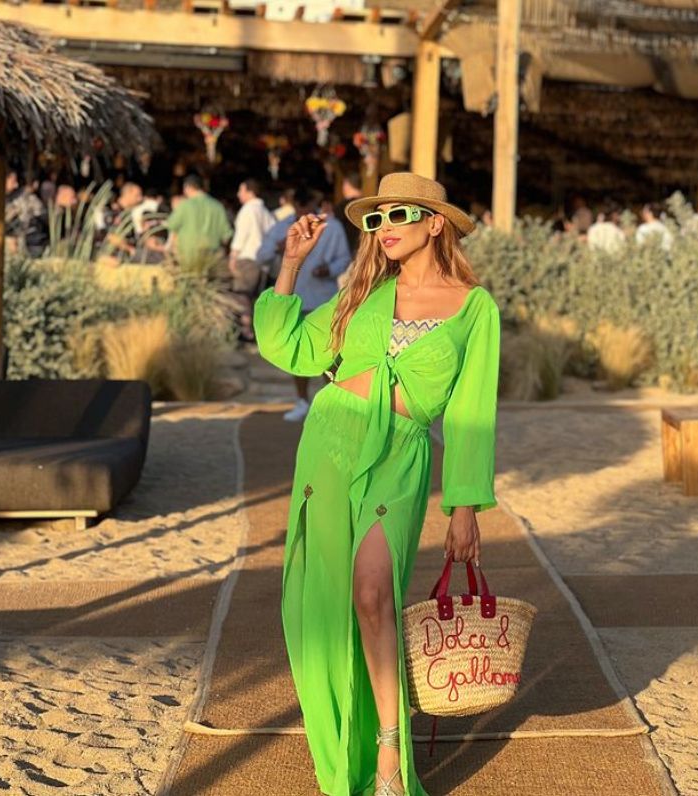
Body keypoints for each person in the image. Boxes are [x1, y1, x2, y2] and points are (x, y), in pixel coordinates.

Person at [253, 172, 500, 796]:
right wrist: (290, 265)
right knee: (333, 603)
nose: (383, 228)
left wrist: (464, 506)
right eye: (376, 218)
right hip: (331, 443)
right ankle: (348, 755)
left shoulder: (475, 309)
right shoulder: (363, 293)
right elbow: (289, 347)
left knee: (372, 594)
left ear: (434, 223)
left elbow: (472, 414)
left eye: (398, 216)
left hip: (401, 455)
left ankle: (390, 758)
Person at [256, 187, 351, 421]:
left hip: (324, 299)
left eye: (306, 207)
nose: (302, 213)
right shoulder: (283, 227)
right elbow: (261, 255)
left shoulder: (332, 227)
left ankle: (332, 400)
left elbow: (344, 258)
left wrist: (330, 269)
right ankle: (302, 401)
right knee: (296, 353)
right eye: (298, 208)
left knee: (331, 356)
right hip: (294, 300)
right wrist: (282, 250)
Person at [164, 174, 233, 269]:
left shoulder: (185, 205)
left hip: (189, 255)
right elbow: (226, 235)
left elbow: (171, 225)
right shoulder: (217, 206)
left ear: (187, 187)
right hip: (211, 256)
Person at [229, 177, 275, 285]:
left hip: (247, 260)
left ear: (250, 192)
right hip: (264, 262)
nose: (238, 194)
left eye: (241, 191)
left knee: (243, 298)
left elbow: (240, 236)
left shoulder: (247, 210)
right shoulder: (265, 212)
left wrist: (233, 257)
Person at [334, 171, 364, 256]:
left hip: (346, 254)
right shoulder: (367, 206)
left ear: (347, 184)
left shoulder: (341, 207)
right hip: (364, 252)